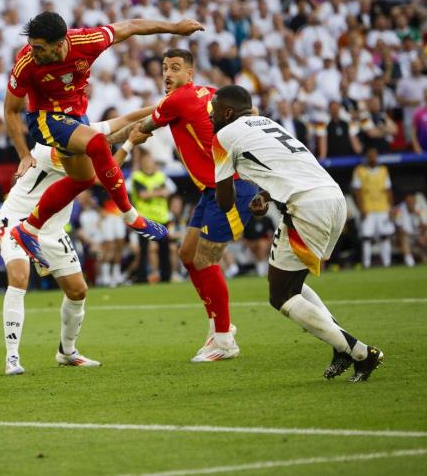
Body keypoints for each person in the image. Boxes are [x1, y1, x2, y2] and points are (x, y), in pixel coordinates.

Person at [210, 85, 384, 382]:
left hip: (306, 206)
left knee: (281, 295)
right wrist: (264, 196)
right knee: (291, 282)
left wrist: (223, 189)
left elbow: (225, 200)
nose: (210, 114)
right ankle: (340, 346)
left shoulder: (223, 136)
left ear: (227, 112)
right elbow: (289, 166)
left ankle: (359, 352)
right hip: (333, 199)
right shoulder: (267, 123)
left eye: (213, 109)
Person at [5, 12, 203, 264]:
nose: (33, 52)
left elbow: (131, 25)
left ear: (60, 43)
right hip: (44, 118)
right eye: (32, 46)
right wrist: (23, 154)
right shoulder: (25, 62)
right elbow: (10, 110)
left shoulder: (87, 41)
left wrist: (174, 27)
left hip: (76, 118)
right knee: (97, 142)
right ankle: (131, 216)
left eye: (39, 48)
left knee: (83, 179)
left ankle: (28, 229)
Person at [0, 107, 152, 375]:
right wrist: (126, 142)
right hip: (18, 220)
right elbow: (100, 176)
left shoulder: (76, 133)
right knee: (20, 277)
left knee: (78, 291)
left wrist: (163, 107)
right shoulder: (50, 148)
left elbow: (126, 119)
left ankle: (67, 352)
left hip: (53, 228)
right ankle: (12, 357)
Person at [132, 49, 256, 362]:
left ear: (190, 72)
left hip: (230, 186)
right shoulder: (212, 94)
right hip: (210, 188)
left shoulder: (178, 99)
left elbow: (140, 128)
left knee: (204, 259)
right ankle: (218, 326)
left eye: (175, 68)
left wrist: (108, 143)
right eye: (164, 68)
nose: (168, 74)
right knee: (187, 254)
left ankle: (225, 340)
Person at [127, 149, 176, 283]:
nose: (148, 164)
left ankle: (166, 276)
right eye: (146, 161)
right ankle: (142, 277)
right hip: (144, 218)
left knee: (164, 249)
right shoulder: (137, 177)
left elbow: (169, 191)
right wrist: (158, 192)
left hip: (162, 217)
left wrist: (153, 193)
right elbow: (143, 194)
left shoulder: (161, 175)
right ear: (141, 163)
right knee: (143, 250)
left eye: (150, 161)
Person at [351, 147, 395, 268]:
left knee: (385, 236)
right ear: (366, 157)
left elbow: (388, 190)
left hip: (383, 208)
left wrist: (391, 207)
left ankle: (387, 263)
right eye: (370, 155)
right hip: (368, 208)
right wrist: (361, 208)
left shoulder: (383, 170)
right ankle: (367, 263)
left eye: (374, 155)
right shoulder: (359, 171)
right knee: (366, 237)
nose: (372, 158)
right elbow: (357, 191)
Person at [394, 192, 427, 266]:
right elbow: (399, 227)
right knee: (404, 237)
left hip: (419, 235)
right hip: (406, 236)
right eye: (409, 202)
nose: (411, 204)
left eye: (412, 202)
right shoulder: (399, 210)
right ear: (405, 202)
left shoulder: (420, 209)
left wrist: (418, 217)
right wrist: (409, 235)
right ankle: (409, 261)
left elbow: (426, 226)